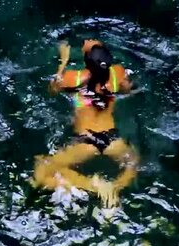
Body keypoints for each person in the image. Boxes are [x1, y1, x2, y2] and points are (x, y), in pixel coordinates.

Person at [32, 39, 139, 208]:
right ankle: (115, 189)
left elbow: (52, 90)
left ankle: (92, 186)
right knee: (132, 163)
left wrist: (63, 61)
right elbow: (128, 89)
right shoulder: (117, 73)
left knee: (41, 169)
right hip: (112, 140)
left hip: (86, 141)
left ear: (88, 64)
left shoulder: (73, 78)